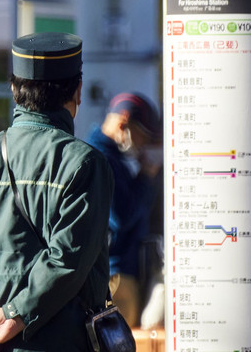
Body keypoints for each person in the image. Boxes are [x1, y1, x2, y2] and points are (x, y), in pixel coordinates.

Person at [0, 33, 113, 352]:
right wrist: (14, 315)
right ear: (78, 91)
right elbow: (68, 258)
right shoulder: (85, 164)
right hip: (64, 341)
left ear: (14, 91)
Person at [86, 92, 162, 328]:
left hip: (115, 270)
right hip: (116, 275)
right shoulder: (102, 159)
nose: (142, 146)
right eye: (142, 136)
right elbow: (121, 215)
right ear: (124, 122)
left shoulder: (102, 155)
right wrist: (146, 179)